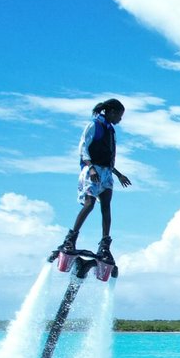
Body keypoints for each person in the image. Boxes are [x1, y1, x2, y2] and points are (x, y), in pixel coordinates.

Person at [57, 98, 133, 268]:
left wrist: (118, 174)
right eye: (119, 115)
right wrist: (90, 168)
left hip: (106, 173)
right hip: (92, 171)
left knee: (106, 206)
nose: (120, 119)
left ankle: (105, 244)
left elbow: (107, 157)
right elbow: (83, 147)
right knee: (89, 204)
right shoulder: (94, 125)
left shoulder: (110, 130)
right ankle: (71, 238)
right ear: (112, 111)